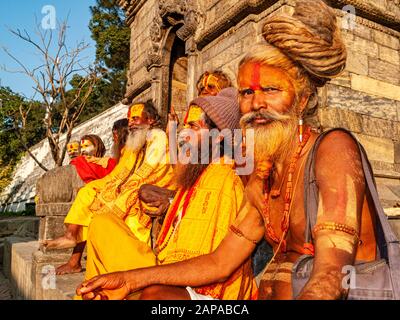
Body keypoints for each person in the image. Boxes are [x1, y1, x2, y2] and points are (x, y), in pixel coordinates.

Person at [76, 0, 378, 300]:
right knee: (157, 297)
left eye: (271, 90)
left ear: (301, 99)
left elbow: (331, 276)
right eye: (247, 92)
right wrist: (130, 280)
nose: (256, 103)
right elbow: (220, 262)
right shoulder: (265, 173)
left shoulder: (333, 149)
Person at [77, 88, 258, 300]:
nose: (184, 135)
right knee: (101, 224)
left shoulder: (224, 178)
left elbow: (211, 267)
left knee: (156, 295)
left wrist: (134, 278)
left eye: (193, 127)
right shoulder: (196, 171)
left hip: (196, 285)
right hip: (165, 267)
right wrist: (170, 201)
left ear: (218, 137)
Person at [42, 102, 174, 275]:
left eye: (135, 118)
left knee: (116, 206)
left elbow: (151, 170)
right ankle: (71, 236)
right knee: (88, 191)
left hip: (156, 186)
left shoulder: (158, 136)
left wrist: (119, 188)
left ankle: (131, 266)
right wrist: (109, 187)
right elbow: (118, 173)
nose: (131, 123)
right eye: (129, 119)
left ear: (149, 120)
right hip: (133, 183)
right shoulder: (135, 143)